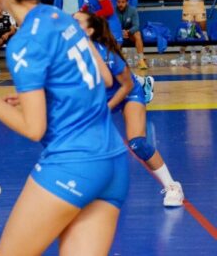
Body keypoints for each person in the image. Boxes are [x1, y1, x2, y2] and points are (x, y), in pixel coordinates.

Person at [0, 0, 128, 256]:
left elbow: (34, 129)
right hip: (113, 161)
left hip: (74, 164)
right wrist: (50, 95)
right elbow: (103, 78)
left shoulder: (24, 42)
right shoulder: (62, 18)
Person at [75, 11, 184, 207]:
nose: (71, 22)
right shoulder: (69, 53)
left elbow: (125, 86)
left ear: (89, 31)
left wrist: (106, 107)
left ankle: (172, 186)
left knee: (137, 143)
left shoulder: (106, 53)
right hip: (101, 99)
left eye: (77, 21)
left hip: (128, 93)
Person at [115, 0, 147, 70]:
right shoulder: (113, 11)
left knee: (138, 34)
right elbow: (110, 25)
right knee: (113, 36)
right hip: (118, 34)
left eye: (123, 2)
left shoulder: (133, 10)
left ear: (127, 2)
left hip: (130, 34)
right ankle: (116, 61)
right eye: (119, 2)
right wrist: (120, 32)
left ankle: (141, 60)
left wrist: (128, 32)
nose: (120, 4)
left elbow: (136, 26)